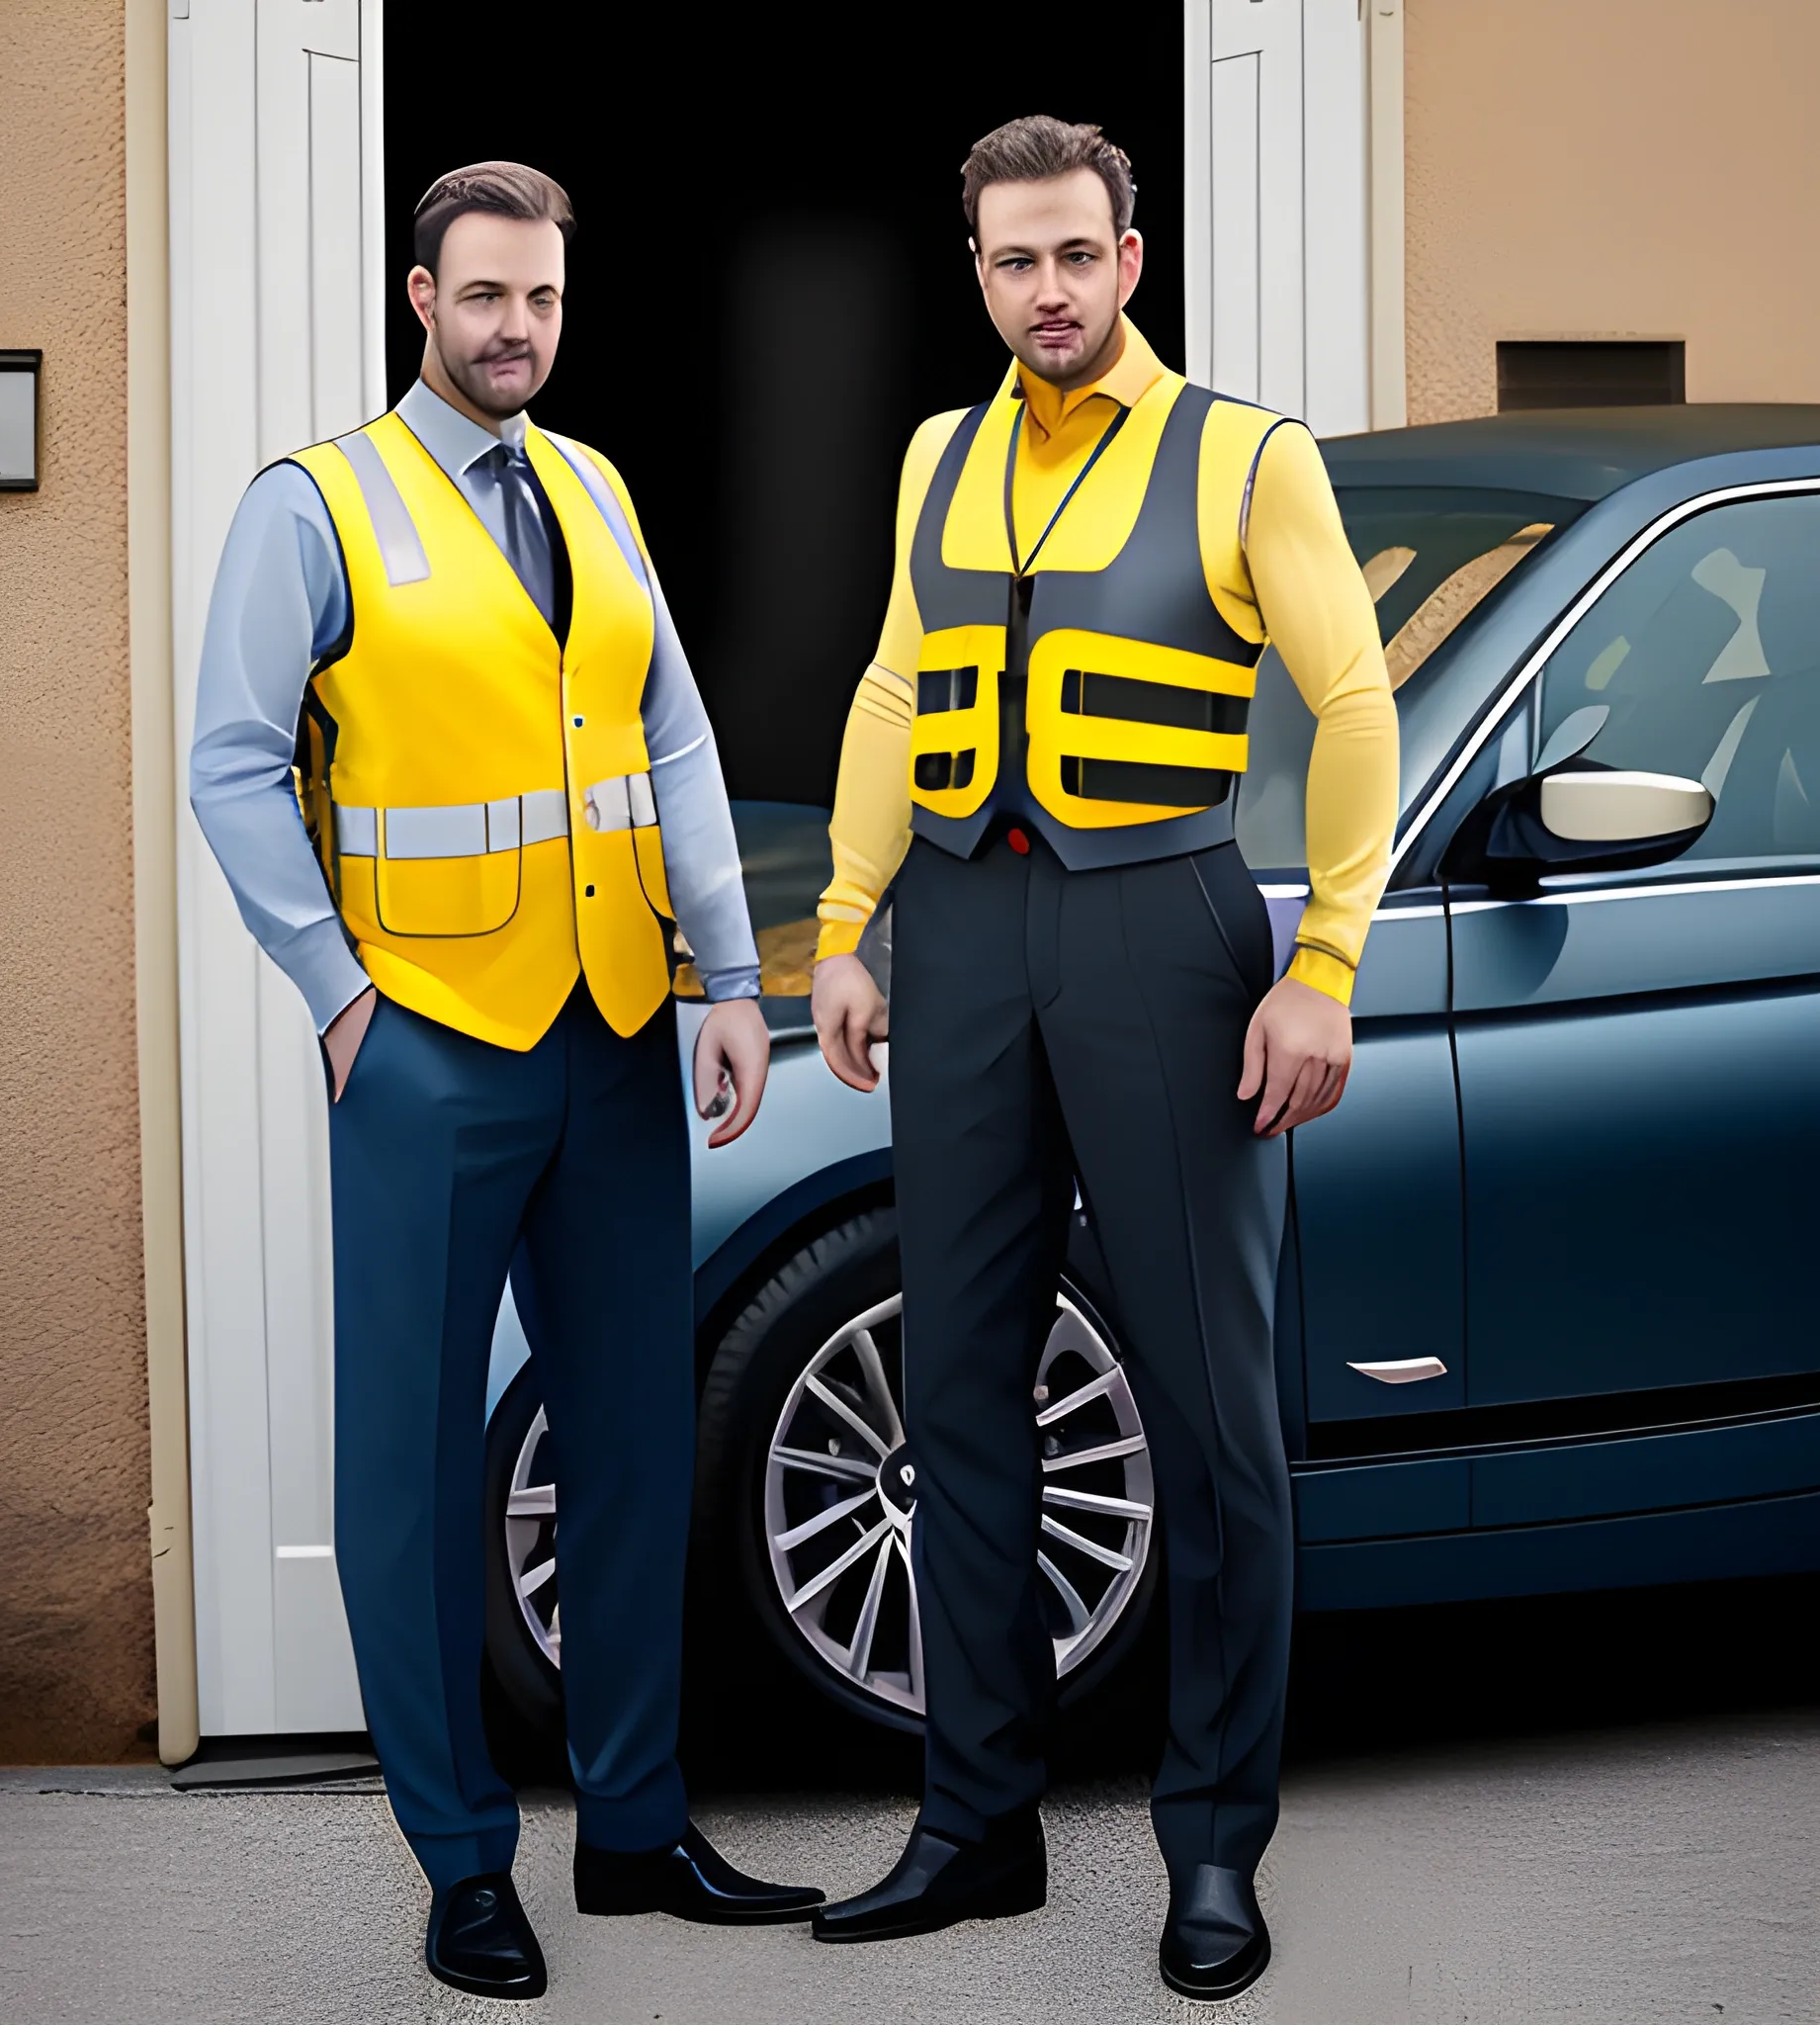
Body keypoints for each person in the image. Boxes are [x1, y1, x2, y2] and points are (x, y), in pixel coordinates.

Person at [190, 160, 821, 2002]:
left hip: (615, 1035)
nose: (516, 330)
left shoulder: (596, 486)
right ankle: (462, 1860)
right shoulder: (313, 510)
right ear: (420, 299)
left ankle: (632, 1830)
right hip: (429, 1052)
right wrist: (331, 994)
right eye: (484, 299)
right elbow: (234, 767)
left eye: (540, 300)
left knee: (629, 1442)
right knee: (405, 1468)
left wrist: (725, 973)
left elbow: (672, 735)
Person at [806, 117, 1398, 2001]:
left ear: (1131, 257)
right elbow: (900, 684)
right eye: (1010, 263)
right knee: (959, 1396)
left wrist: (1323, 962)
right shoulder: (938, 455)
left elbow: (1356, 698)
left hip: (1169, 928)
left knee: (1216, 1427)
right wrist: (843, 921)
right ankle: (976, 1825)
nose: (1045, 292)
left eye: (1076, 256)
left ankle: (1214, 1851)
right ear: (974, 271)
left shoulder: (1247, 453)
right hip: (964, 944)